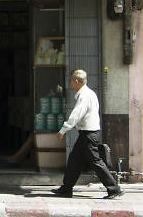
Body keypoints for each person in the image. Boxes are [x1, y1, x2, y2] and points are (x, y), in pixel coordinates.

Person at [51, 69, 124, 199]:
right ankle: (66, 188)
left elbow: (77, 114)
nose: (70, 83)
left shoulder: (84, 95)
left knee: (96, 161)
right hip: (87, 133)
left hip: (88, 134)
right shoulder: (90, 93)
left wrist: (64, 130)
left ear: (76, 81)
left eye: (71, 81)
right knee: (74, 160)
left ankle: (114, 188)